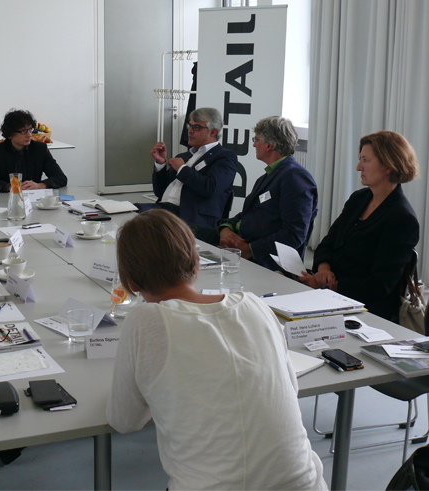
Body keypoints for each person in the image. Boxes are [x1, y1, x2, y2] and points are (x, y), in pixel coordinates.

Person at [106, 209, 327, 490]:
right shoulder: (255, 304)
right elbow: (289, 389)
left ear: (131, 283)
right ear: (197, 263)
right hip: (305, 484)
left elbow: (124, 421)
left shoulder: (145, 321)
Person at [299, 131, 420, 321]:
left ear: (388, 166)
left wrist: (331, 286)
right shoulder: (359, 199)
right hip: (331, 296)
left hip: (366, 313)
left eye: (365, 160)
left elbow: (379, 285)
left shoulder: (402, 219)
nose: (358, 167)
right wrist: (323, 271)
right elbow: (327, 244)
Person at [215, 116, 318, 271]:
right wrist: (225, 229)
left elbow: (294, 234)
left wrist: (250, 249)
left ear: (270, 145)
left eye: (256, 139)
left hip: (266, 263)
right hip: (244, 248)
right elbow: (250, 213)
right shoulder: (271, 175)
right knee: (191, 235)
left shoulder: (295, 177)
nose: (254, 144)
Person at [137, 107, 238, 229]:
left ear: (213, 132)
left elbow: (210, 188)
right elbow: (160, 192)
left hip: (190, 216)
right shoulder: (184, 156)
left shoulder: (225, 157)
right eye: (190, 126)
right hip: (164, 209)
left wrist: (182, 169)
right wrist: (161, 163)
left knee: (136, 218)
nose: (190, 131)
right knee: (129, 210)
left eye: (196, 127)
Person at [0, 109, 67, 192]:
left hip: (33, 198)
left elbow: (61, 178)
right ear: (10, 134)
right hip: (6, 198)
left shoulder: (40, 149)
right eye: (23, 131)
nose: (29, 135)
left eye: (30, 130)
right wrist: (10, 187)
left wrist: (39, 185)